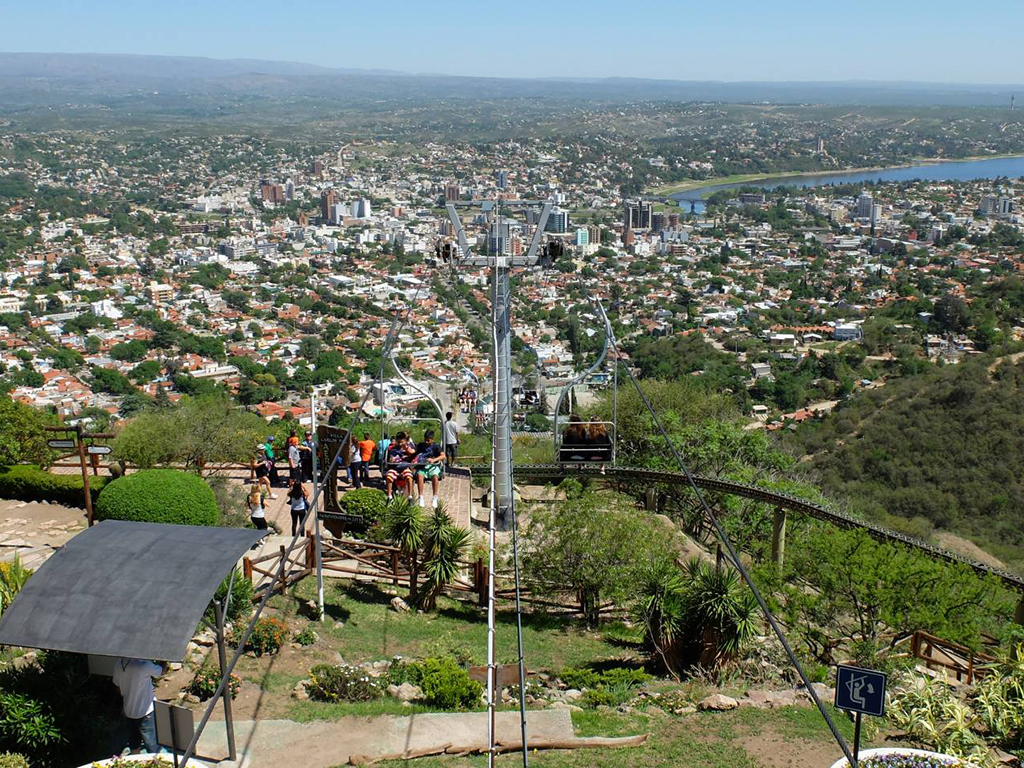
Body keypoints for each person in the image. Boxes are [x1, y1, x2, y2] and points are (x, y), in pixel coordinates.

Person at [113, 657, 166, 755]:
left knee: (134, 745)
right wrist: (163, 660)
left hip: (129, 711)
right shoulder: (144, 664)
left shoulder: (119, 664)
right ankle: (155, 762)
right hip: (146, 712)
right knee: (153, 747)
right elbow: (162, 671)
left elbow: (118, 688)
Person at [412, 429, 446, 507]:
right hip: (422, 465)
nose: (426, 442)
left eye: (428, 440)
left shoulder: (436, 446)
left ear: (432, 440)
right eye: (425, 440)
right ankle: (421, 496)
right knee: (419, 475)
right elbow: (413, 452)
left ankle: (434, 497)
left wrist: (434, 460)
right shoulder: (420, 445)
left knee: (435, 476)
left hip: (433, 466)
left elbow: (443, 456)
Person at [384, 432, 414, 501]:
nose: (400, 444)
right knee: (389, 477)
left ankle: (410, 496)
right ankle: (389, 496)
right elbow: (389, 459)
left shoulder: (408, 449)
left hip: (404, 467)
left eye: (402, 442)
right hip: (395, 467)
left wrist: (406, 450)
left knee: (409, 477)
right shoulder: (393, 449)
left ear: (405, 441)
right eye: (398, 442)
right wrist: (391, 460)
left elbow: (412, 455)